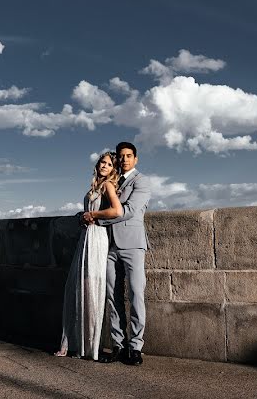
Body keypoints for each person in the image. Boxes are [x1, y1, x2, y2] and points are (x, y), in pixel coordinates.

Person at [85, 141, 150, 366]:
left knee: (136, 295)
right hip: (109, 245)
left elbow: (128, 211)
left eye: (128, 156)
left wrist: (97, 218)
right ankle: (118, 345)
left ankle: (136, 347)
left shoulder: (142, 181)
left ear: (135, 159)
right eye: (121, 156)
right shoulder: (112, 180)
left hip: (132, 245)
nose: (124, 160)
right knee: (112, 297)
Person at [55, 151, 124, 360]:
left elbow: (117, 211)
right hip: (86, 237)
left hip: (97, 238)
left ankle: (90, 347)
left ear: (113, 169)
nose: (104, 166)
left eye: (109, 164)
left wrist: (93, 214)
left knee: (91, 288)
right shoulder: (94, 186)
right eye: (102, 162)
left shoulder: (108, 185)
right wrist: (82, 217)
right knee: (79, 288)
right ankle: (79, 345)